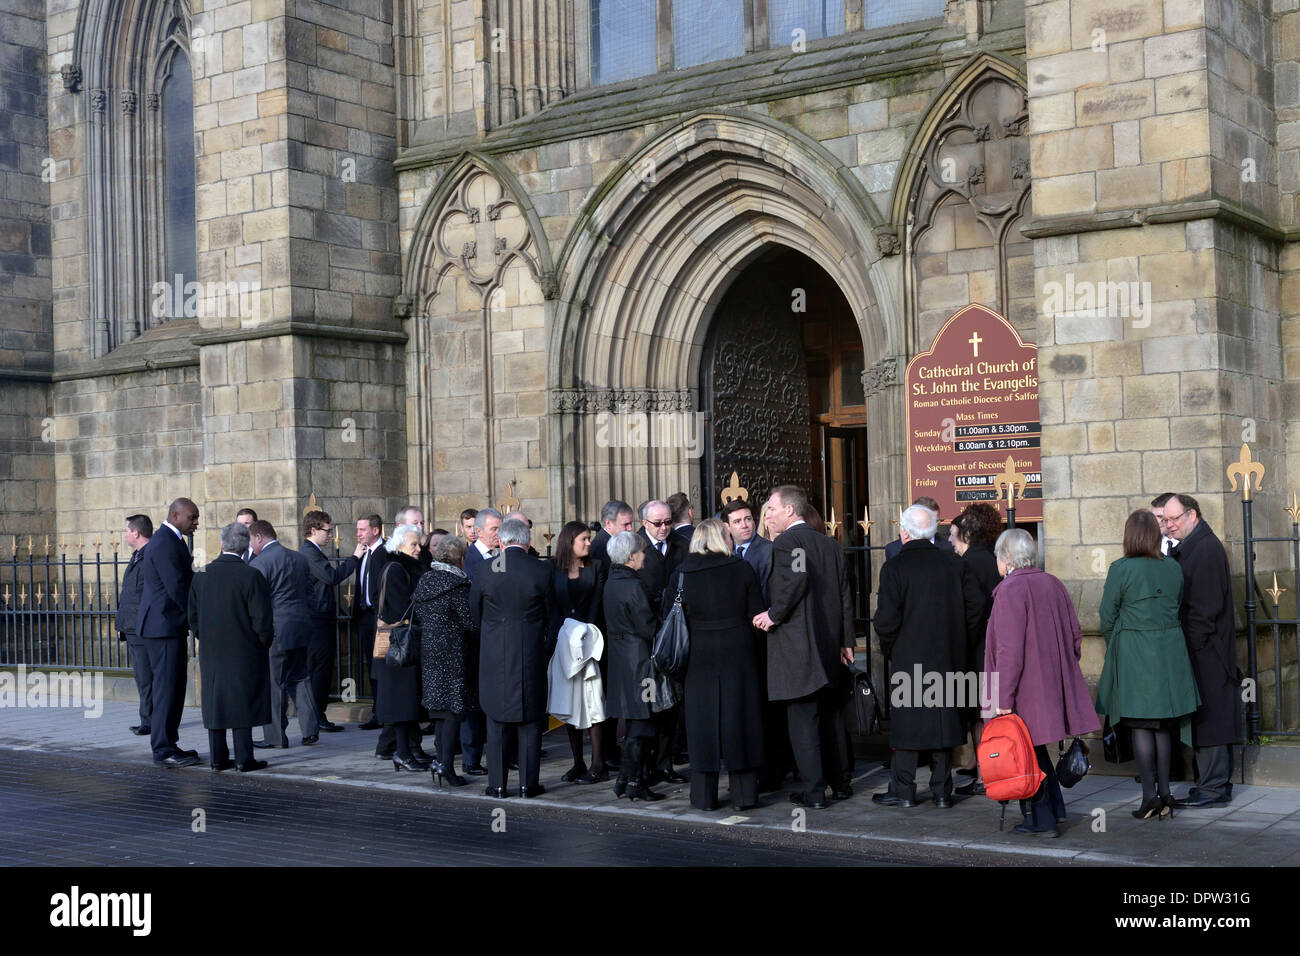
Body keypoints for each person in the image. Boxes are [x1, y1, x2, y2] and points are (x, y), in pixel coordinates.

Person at [985, 529, 1101, 836]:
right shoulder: (1053, 583)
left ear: (1007, 558)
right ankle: (1055, 810)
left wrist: (1003, 699)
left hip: (1024, 690)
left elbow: (1008, 651)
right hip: (1048, 683)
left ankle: (1042, 820)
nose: (997, 562)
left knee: (1024, 754)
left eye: (998, 556)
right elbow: (1076, 637)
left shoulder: (1011, 590)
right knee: (1034, 750)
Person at [872, 504, 983, 809]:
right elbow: (976, 607)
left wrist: (892, 646)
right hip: (948, 655)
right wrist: (960, 638)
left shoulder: (895, 567)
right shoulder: (955, 564)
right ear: (934, 531)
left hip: (909, 655)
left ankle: (903, 789)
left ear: (904, 532)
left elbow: (885, 620)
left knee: (909, 723)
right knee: (942, 721)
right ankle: (942, 791)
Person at [752, 485, 856, 810]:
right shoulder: (829, 544)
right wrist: (846, 641)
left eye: (772, 508)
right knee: (830, 717)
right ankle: (840, 784)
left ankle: (814, 791)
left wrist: (773, 614)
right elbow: (844, 596)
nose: (767, 515)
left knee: (803, 721)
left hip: (799, 649)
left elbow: (797, 579)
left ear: (790, 511)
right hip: (828, 646)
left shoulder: (788, 542)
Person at [1097, 510, 1201, 820]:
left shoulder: (1121, 568)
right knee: (1163, 726)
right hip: (1170, 654)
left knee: (1141, 724)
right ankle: (1166, 793)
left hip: (1134, 653)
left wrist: (1119, 640)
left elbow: (1106, 616)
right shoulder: (1172, 567)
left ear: (1129, 536)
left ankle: (1149, 797)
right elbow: (1178, 605)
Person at [666, 519, 765, 811]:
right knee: (740, 719)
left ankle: (704, 797)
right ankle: (744, 795)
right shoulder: (741, 569)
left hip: (698, 653)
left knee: (701, 722)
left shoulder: (681, 574)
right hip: (738, 650)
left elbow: (669, 617)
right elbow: (757, 615)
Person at [1164, 494, 1240, 808]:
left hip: (1207, 651)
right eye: (1165, 521)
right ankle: (1209, 784)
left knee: (1212, 718)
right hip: (1202, 648)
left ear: (1192, 515)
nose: (1168, 526)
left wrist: (1189, 644)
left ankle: (1213, 788)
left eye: (1173, 519)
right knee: (1206, 718)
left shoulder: (1205, 549)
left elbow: (1204, 609)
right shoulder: (1194, 546)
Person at [471, 517, 556, 797]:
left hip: (494, 655)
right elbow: (552, 617)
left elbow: (475, 615)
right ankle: (527, 785)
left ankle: (497, 785)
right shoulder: (541, 570)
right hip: (530, 652)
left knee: (495, 722)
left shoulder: (485, 570)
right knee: (530, 721)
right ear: (528, 541)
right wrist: (542, 647)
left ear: (501, 542)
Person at [188, 522, 275, 773]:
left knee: (216, 701)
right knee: (242, 702)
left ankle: (218, 758)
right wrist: (262, 642)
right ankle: (243, 758)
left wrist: (203, 636)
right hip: (245, 650)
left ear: (222, 544)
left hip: (212, 651)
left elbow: (192, 615)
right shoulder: (251, 575)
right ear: (246, 546)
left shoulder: (201, 575)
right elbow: (262, 619)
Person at [723, 496, 789, 791]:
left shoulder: (768, 551)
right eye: (737, 521)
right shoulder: (725, 554)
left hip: (763, 639)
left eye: (748, 519)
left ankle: (773, 770)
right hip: (737, 642)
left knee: (766, 707)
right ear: (727, 526)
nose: (745, 525)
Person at [136, 497, 200, 768]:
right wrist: (196, 619)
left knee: (173, 687)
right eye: (192, 517)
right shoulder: (165, 542)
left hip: (166, 626)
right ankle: (163, 748)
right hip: (162, 627)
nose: (196, 523)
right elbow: (176, 587)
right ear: (175, 515)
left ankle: (169, 743)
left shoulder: (170, 539)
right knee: (166, 688)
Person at [601, 531, 663, 801]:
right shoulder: (632, 585)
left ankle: (625, 779)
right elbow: (648, 627)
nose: (644, 556)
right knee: (641, 724)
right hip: (637, 658)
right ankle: (634, 781)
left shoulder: (612, 581)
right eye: (641, 552)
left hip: (619, 657)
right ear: (630, 557)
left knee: (635, 723)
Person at [947, 503, 1003, 796]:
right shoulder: (993, 559)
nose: (951, 542)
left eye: (954, 535)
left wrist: (961, 637)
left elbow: (975, 608)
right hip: (993, 648)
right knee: (986, 712)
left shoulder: (968, 563)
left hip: (977, 649)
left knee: (981, 715)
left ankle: (985, 775)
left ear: (968, 533)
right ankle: (982, 767)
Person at [249, 520, 320, 748]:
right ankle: (310, 731)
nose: (251, 545)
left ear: (259, 537)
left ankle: (275, 738)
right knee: (301, 678)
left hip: (276, 631)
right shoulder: (299, 558)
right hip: (301, 627)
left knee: (274, 683)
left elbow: (258, 603)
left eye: (251, 540)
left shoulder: (260, 563)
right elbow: (310, 594)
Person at [550, 520, 610, 783]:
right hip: (563, 644)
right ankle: (578, 763)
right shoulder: (553, 569)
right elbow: (551, 607)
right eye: (583, 539)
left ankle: (599, 763)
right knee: (570, 702)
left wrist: (587, 641)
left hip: (590, 643)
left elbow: (598, 604)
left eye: (589, 538)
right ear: (569, 542)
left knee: (593, 702)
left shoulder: (596, 567)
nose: (589, 543)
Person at [416, 535, 477, 786]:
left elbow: (419, 612)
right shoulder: (457, 584)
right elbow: (470, 622)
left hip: (430, 651)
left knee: (439, 713)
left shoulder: (425, 580)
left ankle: (440, 761)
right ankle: (447, 767)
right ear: (460, 558)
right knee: (452, 711)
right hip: (453, 654)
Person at [300, 509, 363, 731]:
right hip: (317, 620)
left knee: (320, 670)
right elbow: (331, 576)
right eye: (327, 530)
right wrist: (355, 557)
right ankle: (316, 717)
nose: (330, 534)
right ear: (314, 530)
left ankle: (316, 716)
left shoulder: (312, 551)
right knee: (320, 671)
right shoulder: (310, 552)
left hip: (319, 618)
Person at [375, 524, 428, 771]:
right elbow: (400, 609)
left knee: (410, 700)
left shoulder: (410, 566)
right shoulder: (396, 568)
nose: (419, 549)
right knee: (401, 702)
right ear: (398, 546)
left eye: (419, 544)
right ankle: (403, 753)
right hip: (399, 645)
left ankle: (411, 750)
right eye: (413, 545)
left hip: (408, 645)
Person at [116, 513, 153, 737]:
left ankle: (149, 721)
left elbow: (146, 596)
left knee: (146, 677)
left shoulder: (149, 556)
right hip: (130, 627)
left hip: (141, 629)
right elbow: (129, 594)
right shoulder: (137, 555)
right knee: (141, 676)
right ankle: (147, 718)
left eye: (127, 530)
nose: (126, 534)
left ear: (136, 533)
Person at [354, 514, 388, 733]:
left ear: (375, 531)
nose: (358, 534)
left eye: (362, 530)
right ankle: (377, 708)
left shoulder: (384, 553)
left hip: (380, 617)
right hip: (365, 616)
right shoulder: (363, 553)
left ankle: (383, 711)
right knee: (370, 663)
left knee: (381, 664)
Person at [884, 496, 954, 560]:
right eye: (930, 521)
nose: (935, 525)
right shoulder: (893, 549)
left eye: (937, 521)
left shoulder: (948, 547)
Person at [589, 499, 635, 575]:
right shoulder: (599, 548)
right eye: (625, 524)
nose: (630, 528)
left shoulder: (615, 542)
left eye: (631, 523)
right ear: (608, 523)